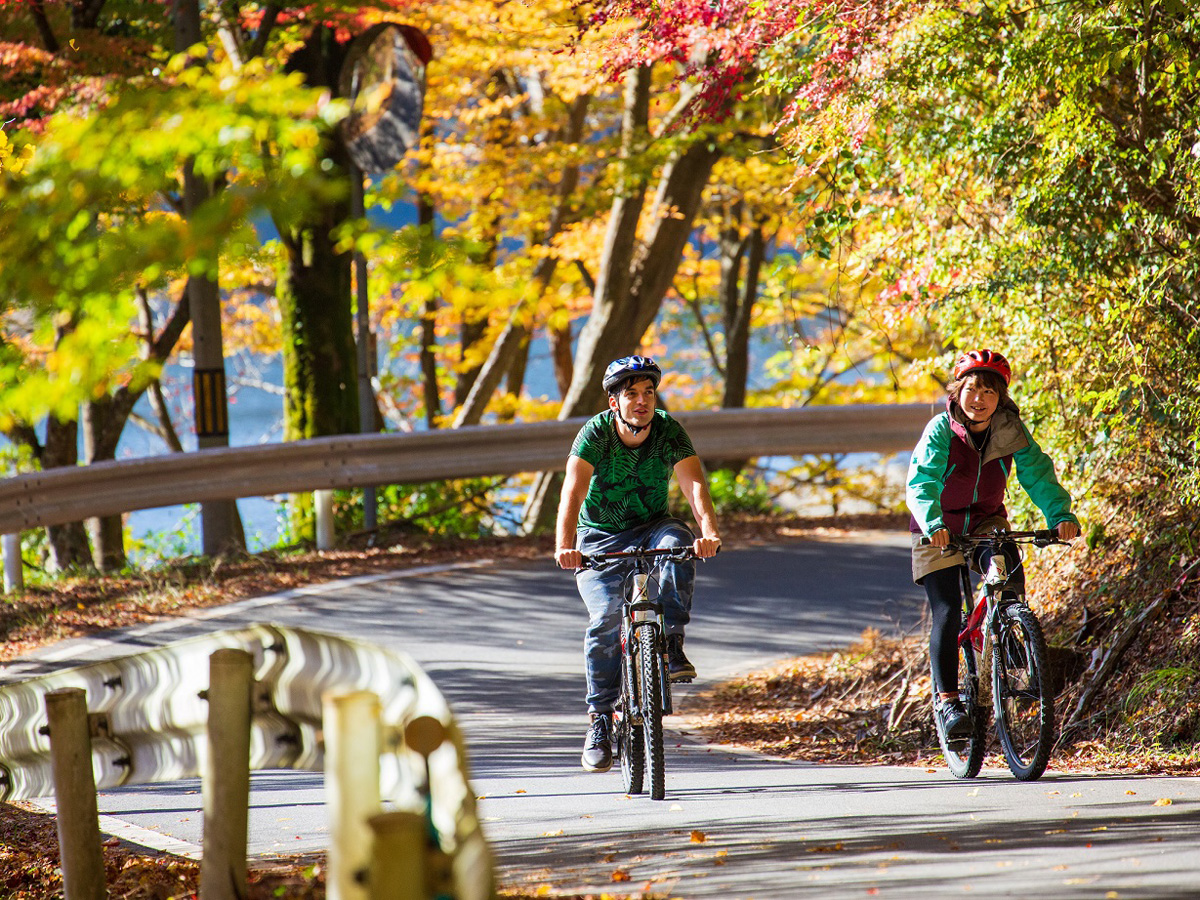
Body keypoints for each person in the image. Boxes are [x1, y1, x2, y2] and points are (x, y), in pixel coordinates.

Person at [554, 355, 722, 773]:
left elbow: (693, 483)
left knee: (678, 540)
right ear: (615, 402)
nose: (642, 402)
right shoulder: (594, 433)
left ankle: (672, 644)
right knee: (606, 617)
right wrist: (565, 545)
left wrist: (709, 532)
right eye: (632, 395)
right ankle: (599, 720)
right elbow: (571, 494)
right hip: (598, 539)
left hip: (651, 527)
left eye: (649, 393)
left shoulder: (667, 429)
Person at [906, 349, 1080, 741]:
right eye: (971, 390)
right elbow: (922, 482)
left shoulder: (1009, 428)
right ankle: (948, 701)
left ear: (1000, 398)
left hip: (985, 521)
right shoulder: (941, 429)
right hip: (937, 525)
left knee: (1007, 566)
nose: (979, 399)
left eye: (989, 392)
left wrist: (1060, 516)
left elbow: (1037, 473)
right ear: (957, 392)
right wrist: (934, 524)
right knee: (948, 613)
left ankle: (1010, 632)